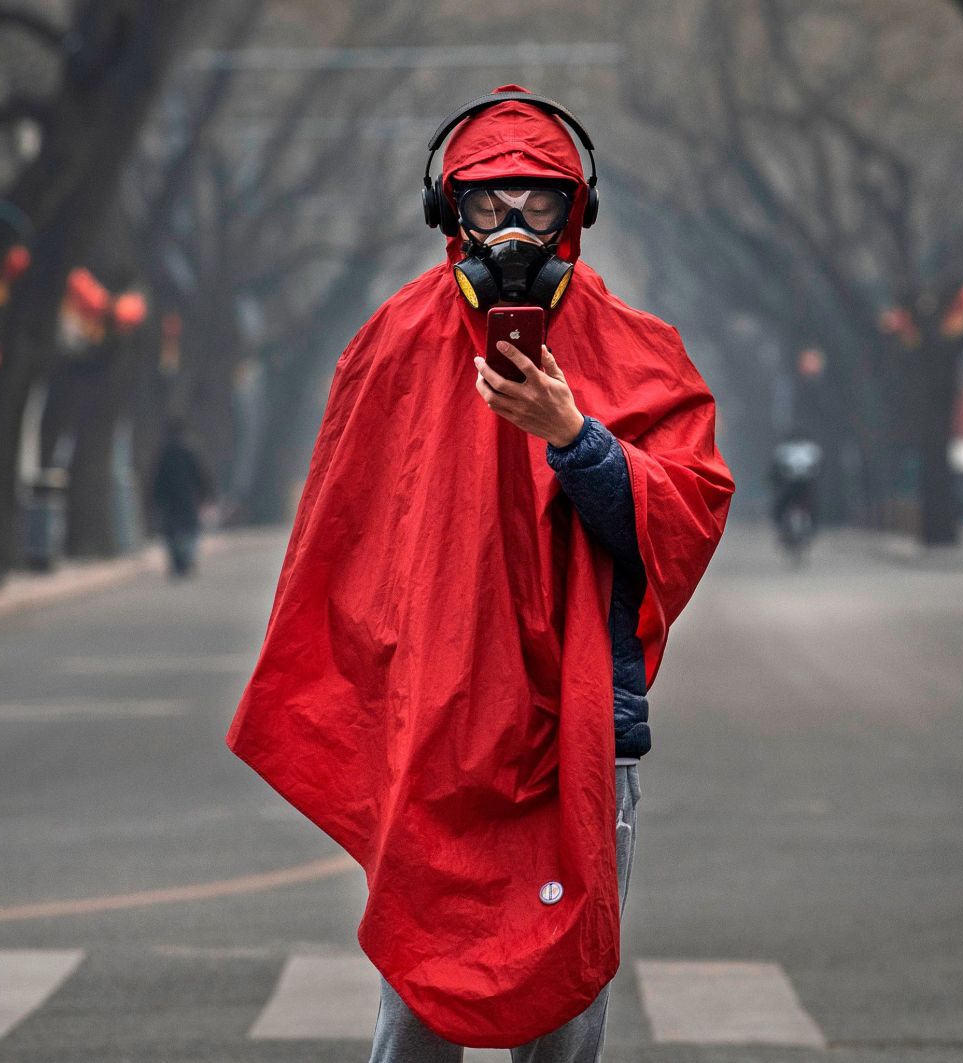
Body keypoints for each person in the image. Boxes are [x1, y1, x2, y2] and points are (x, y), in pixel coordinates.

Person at [226, 86, 734, 1058]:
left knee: (567, 991)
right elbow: (343, 547)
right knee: (419, 987)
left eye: (537, 201)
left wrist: (575, 439)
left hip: (580, 731)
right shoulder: (392, 345)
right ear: (447, 212)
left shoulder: (637, 351)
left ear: (576, 212)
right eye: (487, 201)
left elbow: (686, 514)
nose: (511, 224)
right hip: (432, 727)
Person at [151, 416, 214, 578]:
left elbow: (157, 479)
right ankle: (188, 558)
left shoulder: (163, 453)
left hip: (169, 500)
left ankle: (177, 562)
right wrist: (207, 494)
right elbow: (201, 475)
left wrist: (155, 499)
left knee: (171, 532)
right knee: (191, 529)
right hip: (187, 498)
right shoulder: (189, 451)